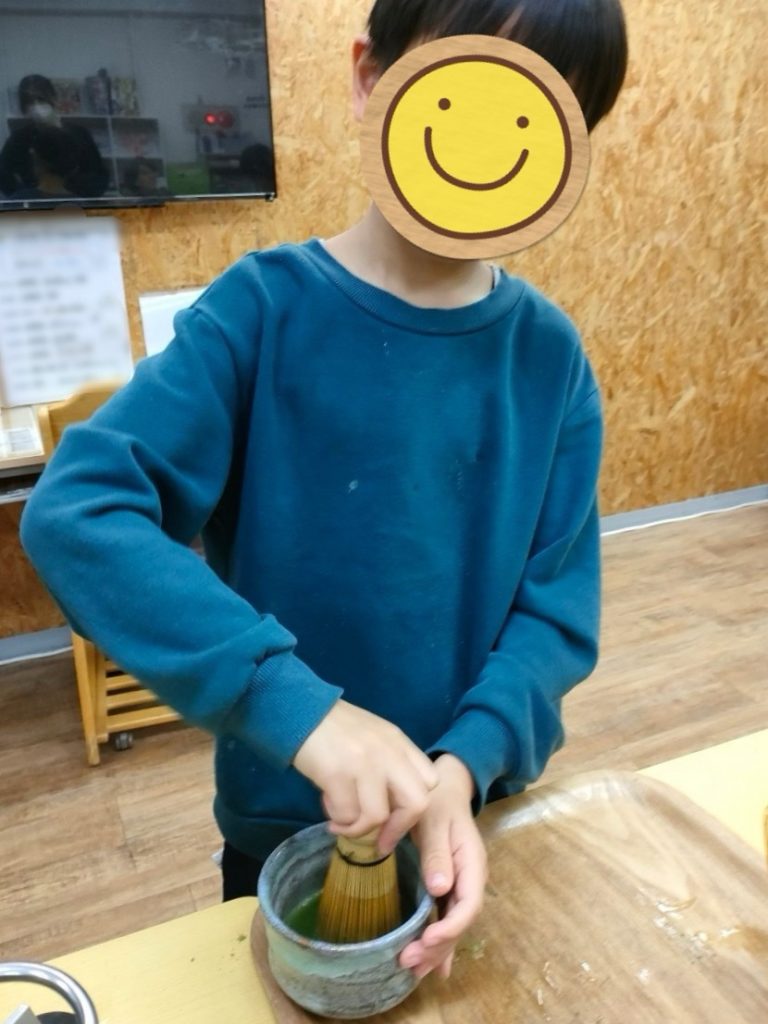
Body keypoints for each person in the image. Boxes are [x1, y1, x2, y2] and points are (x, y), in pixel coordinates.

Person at [21, 0, 628, 981]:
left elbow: (554, 615)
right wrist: (300, 710)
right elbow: (79, 511)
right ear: (369, 78)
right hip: (285, 830)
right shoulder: (260, 313)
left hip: (470, 821)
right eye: (464, 90)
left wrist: (465, 763)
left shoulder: (550, 359)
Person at [0, 74, 109, 199]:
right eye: (29, 102)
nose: (36, 106)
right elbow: (3, 175)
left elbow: (99, 176)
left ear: (53, 97)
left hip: (75, 204)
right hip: (34, 206)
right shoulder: (18, 139)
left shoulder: (79, 134)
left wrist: (77, 196)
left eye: (41, 99)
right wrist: (25, 196)